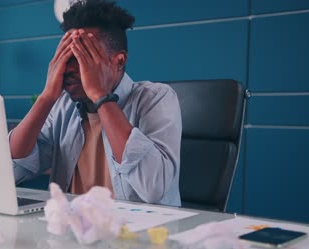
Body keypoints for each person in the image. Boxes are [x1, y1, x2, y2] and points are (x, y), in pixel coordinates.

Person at [9, 0, 182, 206]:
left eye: (85, 56)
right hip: (73, 231)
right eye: (67, 56)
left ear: (118, 61)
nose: (70, 68)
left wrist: (100, 95)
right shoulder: (63, 106)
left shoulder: (156, 98)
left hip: (139, 234)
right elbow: (12, 171)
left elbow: (152, 188)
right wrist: (47, 97)